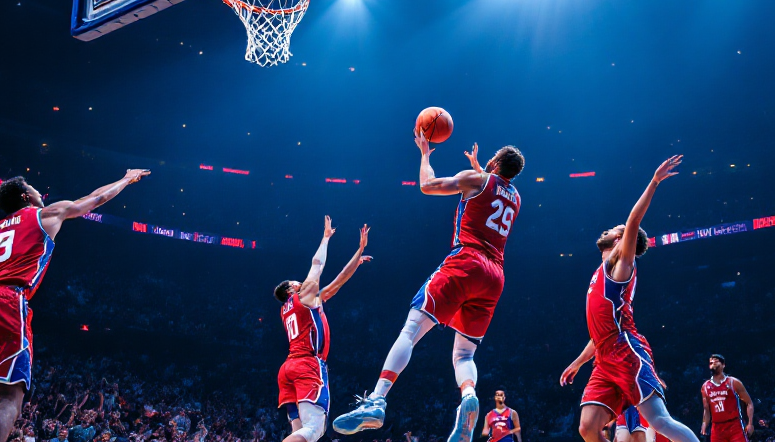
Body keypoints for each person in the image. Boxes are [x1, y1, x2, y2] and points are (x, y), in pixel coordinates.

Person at [0, 170, 151, 442]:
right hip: (5, 300)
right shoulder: (45, 215)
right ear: (26, 197)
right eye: (35, 190)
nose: (40, 194)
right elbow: (96, 198)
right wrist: (126, 179)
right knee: (9, 399)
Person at [333, 135, 525, 442]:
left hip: (467, 261)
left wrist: (424, 154)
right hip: (495, 277)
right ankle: (469, 396)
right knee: (463, 355)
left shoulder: (477, 179)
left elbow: (428, 184)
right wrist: (478, 167)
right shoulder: (515, 197)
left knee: (410, 330)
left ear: (497, 162)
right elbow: (489, 192)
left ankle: (377, 399)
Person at [559, 156, 699, 442]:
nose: (607, 230)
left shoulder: (621, 266)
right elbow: (598, 336)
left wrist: (655, 181)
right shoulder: (599, 272)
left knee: (659, 421)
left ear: (623, 240)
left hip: (626, 351)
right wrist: (578, 363)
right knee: (587, 428)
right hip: (604, 356)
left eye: (614, 230)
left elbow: (634, 220)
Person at [274, 217, 372, 442]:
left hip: (288, 368)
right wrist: (326, 238)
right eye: (295, 281)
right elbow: (317, 265)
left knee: (298, 433)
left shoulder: (288, 309)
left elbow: (337, 283)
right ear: (291, 289)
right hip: (307, 364)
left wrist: (358, 255)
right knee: (315, 429)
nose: (300, 281)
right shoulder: (302, 297)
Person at [701, 355, 754, 442]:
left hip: (734, 425)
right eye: (711, 362)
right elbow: (706, 409)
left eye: (716, 361)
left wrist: (750, 423)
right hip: (717, 428)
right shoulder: (705, 386)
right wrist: (704, 423)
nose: (713, 362)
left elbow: (749, 403)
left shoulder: (733, 382)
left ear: (723, 365)